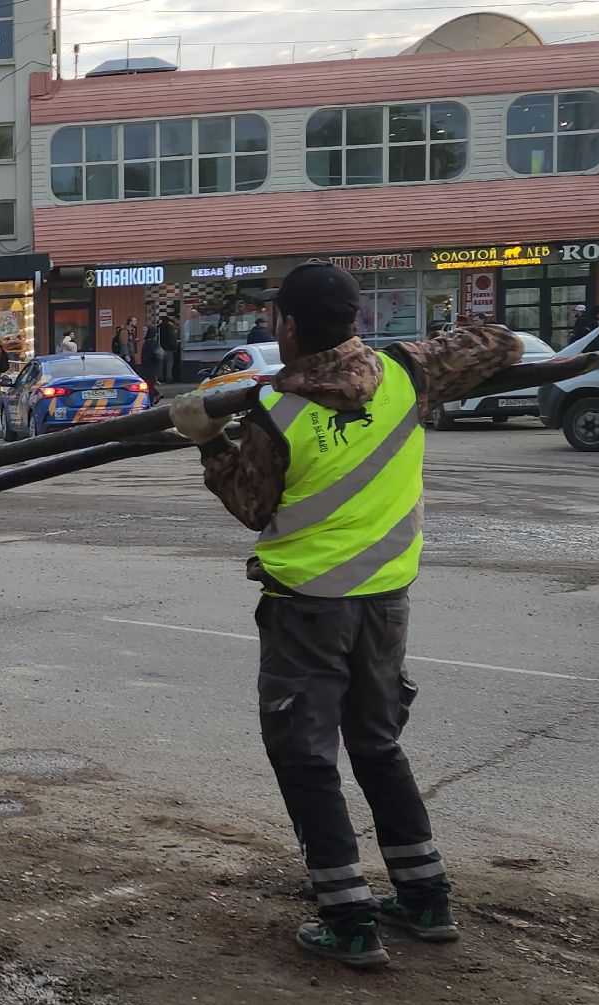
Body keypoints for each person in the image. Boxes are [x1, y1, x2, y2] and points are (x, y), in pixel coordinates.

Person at [170, 262, 532, 969]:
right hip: (385, 606)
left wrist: (207, 441)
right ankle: (426, 898)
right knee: (376, 746)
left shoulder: (277, 415)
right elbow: (499, 343)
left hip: (308, 610)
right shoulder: (406, 372)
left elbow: (252, 507)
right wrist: (465, 352)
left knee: (305, 759)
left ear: (290, 326)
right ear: (356, 320)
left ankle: (348, 918)